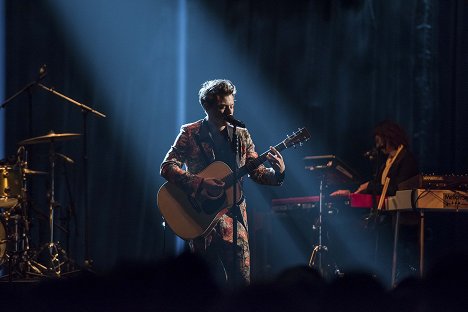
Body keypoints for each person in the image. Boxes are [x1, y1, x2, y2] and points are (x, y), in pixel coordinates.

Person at [160, 79, 285, 286]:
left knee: (241, 284)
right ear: (207, 106)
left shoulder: (241, 134)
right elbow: (167, 166)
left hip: (234, 216)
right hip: (200, 217)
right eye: (222, 107)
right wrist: (200, 183)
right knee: (204, 285)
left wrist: (278, 172)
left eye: (231, 106)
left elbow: (257, 172)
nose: (228, 111)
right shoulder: (190, 133)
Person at [331, 120, 418, 197]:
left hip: (402, 214)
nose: (377, 146)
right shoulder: (387, 161)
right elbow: (377, 186)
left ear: (388, 137)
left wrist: (370, 186)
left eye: (378, 141)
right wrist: (351, 192)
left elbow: (398, 190)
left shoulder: (406, 158)